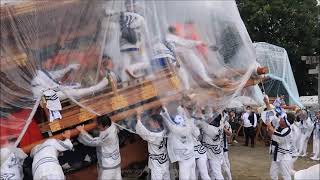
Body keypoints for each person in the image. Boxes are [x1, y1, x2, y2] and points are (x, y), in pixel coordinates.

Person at [77, 115, 121, 180]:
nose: (97, 127)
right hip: (116, 162)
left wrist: (82, 131)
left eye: (99, 126)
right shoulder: (111, 125)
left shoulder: (109, 136)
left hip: (109, 165)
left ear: (105, 126)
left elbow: (93, 142)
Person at [160, 101, 196, 180]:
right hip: (190, 154)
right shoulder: (188, 124)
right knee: (192, 176)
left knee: (185, 177)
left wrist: (164, 108)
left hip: (184, 157)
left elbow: (169, 123)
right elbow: (182, 115)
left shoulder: (176, 128)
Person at [135, 109, 170, 180]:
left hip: (156, 162)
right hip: (164, 159)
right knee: (166, 177)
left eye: (151, 121)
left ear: (156, 123)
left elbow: (141, 130)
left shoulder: (154, 135)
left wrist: (138, 117)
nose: (149, 123)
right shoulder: (164, 130)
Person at [119, 0, 148, 81]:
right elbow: (145, 32)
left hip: (123, 45)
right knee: (145, 63)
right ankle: (131, 69)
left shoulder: (122, 15)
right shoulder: (139, 17)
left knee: (125, 65)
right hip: (135, 44)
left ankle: (124, 85)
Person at [199, 109, 224, 180]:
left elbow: (200, 122)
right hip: (216, 152)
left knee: (217, 173)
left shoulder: (209, 128)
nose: (209, 119)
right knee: (212, 173)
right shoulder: (220, 125)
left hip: (213, 154)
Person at [266, 114, 292, 180]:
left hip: (284, 156)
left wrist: (270, 127)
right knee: (273, 172)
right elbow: (271, 135)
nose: (280, 119)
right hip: (276, 154)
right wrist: (269, 128)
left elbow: (280, 137)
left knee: (286, 175)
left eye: (282, 118)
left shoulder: (288, 130)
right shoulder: (279, 126)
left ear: (286, 121)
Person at [190, 105, 211, 180]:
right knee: (194, 174)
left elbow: (198, 135)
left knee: (204, 174)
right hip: (192, 151)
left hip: (199, 150)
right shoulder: (190, 121)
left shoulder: (199, 123)